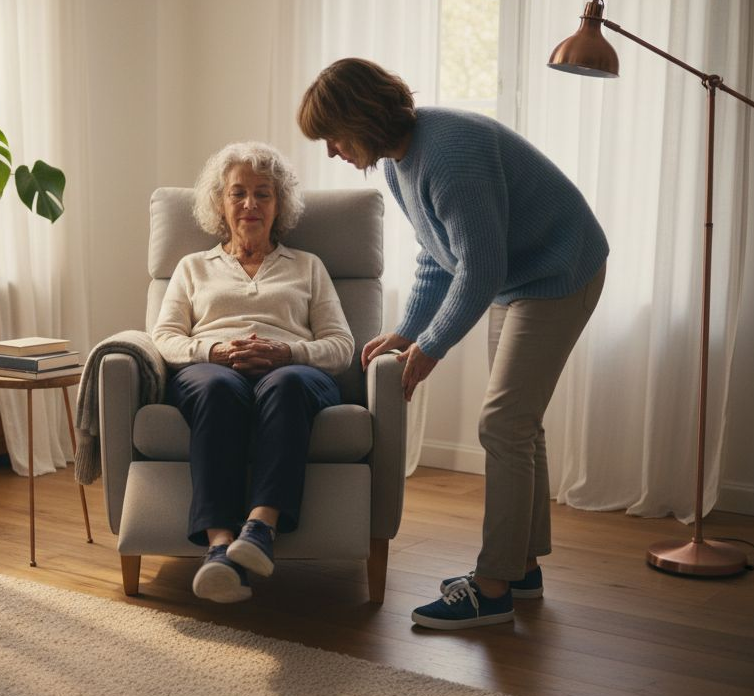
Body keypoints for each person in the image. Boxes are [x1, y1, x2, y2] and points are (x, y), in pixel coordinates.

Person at [298, 58, 609, 629]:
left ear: (361, 118)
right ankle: (521, 569)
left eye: (334, 137)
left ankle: (492, 589)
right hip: (518, 277)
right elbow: (437, 255)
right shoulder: (398, 163)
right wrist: (408, 330)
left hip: (560, 271)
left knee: (503, 424)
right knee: (519, 424)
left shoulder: (447, 156)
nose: (333, 152)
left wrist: (432, 346)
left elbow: (480, 268)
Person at [152, 141, 355, 603]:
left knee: (286, 384)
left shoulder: (308, 266)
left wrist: (288, 353)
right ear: (219, 204)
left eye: (263, 193)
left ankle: (260, 530)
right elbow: (164, 337)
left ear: (279, 205)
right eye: (238, 193)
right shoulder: (192, 267)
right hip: (212, 371)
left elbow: (342, 345)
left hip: (293, 373)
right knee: (217, 389)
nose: (250, 204)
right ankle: (220, 547)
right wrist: (214, 351)